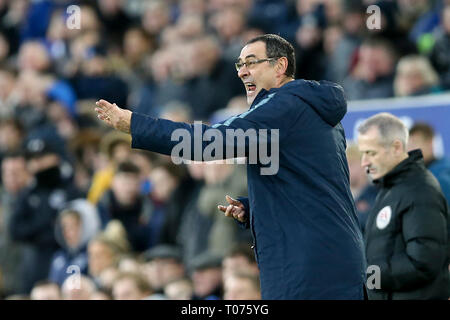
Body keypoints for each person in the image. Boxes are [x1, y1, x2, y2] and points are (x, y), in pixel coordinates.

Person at [94, 33, 366, 299]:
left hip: (311, 268)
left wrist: (134, 124)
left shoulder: (282, 106)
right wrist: (255, 207)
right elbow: (311, 187)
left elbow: (206, 143)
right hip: (330, 258)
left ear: (280, 66)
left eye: (251, 62)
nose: (241, 72)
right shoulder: (310, 111)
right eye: (239, 64)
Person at [356, 113, 449, 300]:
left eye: (371, 153)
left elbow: (423, 263)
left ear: (397, 147)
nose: (364, 162)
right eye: (363, 153)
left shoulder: (420, 191)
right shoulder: (390, 188)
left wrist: (368, 274)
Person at [408, 122, 450, 204]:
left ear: (430, 143)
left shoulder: (442, 178)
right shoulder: (416, 174)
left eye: (415, 143)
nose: (411, 149)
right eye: (409, 144)